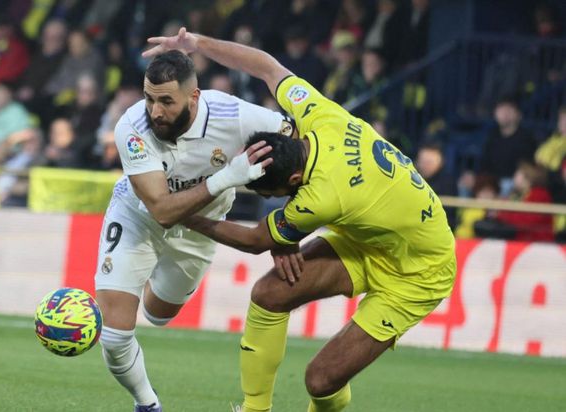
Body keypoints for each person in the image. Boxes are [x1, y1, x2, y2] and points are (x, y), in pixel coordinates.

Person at [144, 28, 456, 412]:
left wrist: (182, 212)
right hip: (371, 239)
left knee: (320, 381)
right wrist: (199, 45)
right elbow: (266, 66)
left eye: (272, 196)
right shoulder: (318, 114)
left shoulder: (322, 196)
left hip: (419, 271)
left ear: (293, 181)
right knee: (270, 294)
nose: (272, 201)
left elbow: (256, 240)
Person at [95, 50, 295, 412]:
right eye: (149, 99)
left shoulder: (234, 115)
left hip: (202, 227)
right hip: (139, 217)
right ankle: (147, 404)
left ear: (194, 96)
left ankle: (138, 274)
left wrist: (290, 230)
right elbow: (161, 210)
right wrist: (226, 177)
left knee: (159, 315)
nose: (155, 111)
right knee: (114, 335)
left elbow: (299, 145)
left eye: (166, 101)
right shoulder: (132, 127)